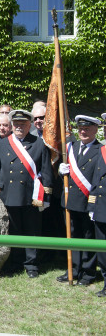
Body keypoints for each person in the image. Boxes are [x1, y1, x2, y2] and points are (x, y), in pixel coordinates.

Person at [0, 109, 53, 278]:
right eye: (17, 124)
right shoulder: (4, 143)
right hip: (10, 195)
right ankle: (15, 262)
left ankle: (31, 264)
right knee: (14, 230)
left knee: (32, 230)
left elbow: (46, 171)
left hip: (30, 195)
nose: (19, 127)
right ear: (12, 125)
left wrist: (45, 195)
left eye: (23, 124)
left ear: (30, 125)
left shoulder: (38, 143)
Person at [56, 115, 102, 285]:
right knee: (72, 236)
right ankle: (73, 269)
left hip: (88, 201)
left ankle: (88, 273)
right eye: (81, 129)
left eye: (87, 129)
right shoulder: (70, 147)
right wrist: (62, 172)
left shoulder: (101, 150)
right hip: (71, 199)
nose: (83, 132)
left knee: (88, 237)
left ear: (96, 130)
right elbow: (67, 177)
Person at [88, 113, 106, 297]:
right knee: (103, 249)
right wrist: (92, 206)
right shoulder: (102, 151)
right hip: (101, 208)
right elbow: (95, 181)